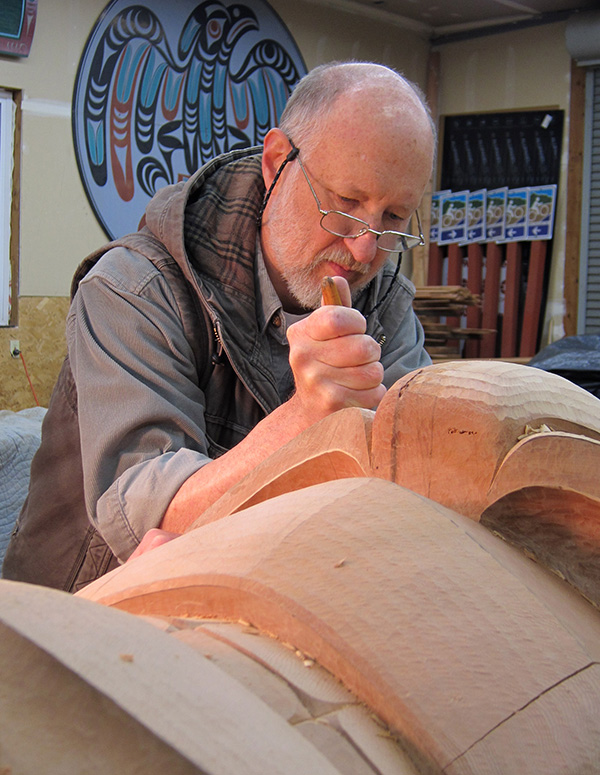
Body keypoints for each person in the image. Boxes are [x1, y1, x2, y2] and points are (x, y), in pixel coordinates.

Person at [3, 61, 436, 591]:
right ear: (277, 162)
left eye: (393, 218)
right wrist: (304, 419)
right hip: (80, 617)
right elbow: (151, 516)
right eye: (346, 203)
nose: (365, 248)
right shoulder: (133, 290)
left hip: (258, 600)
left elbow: (417, 463)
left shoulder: (384, 300)